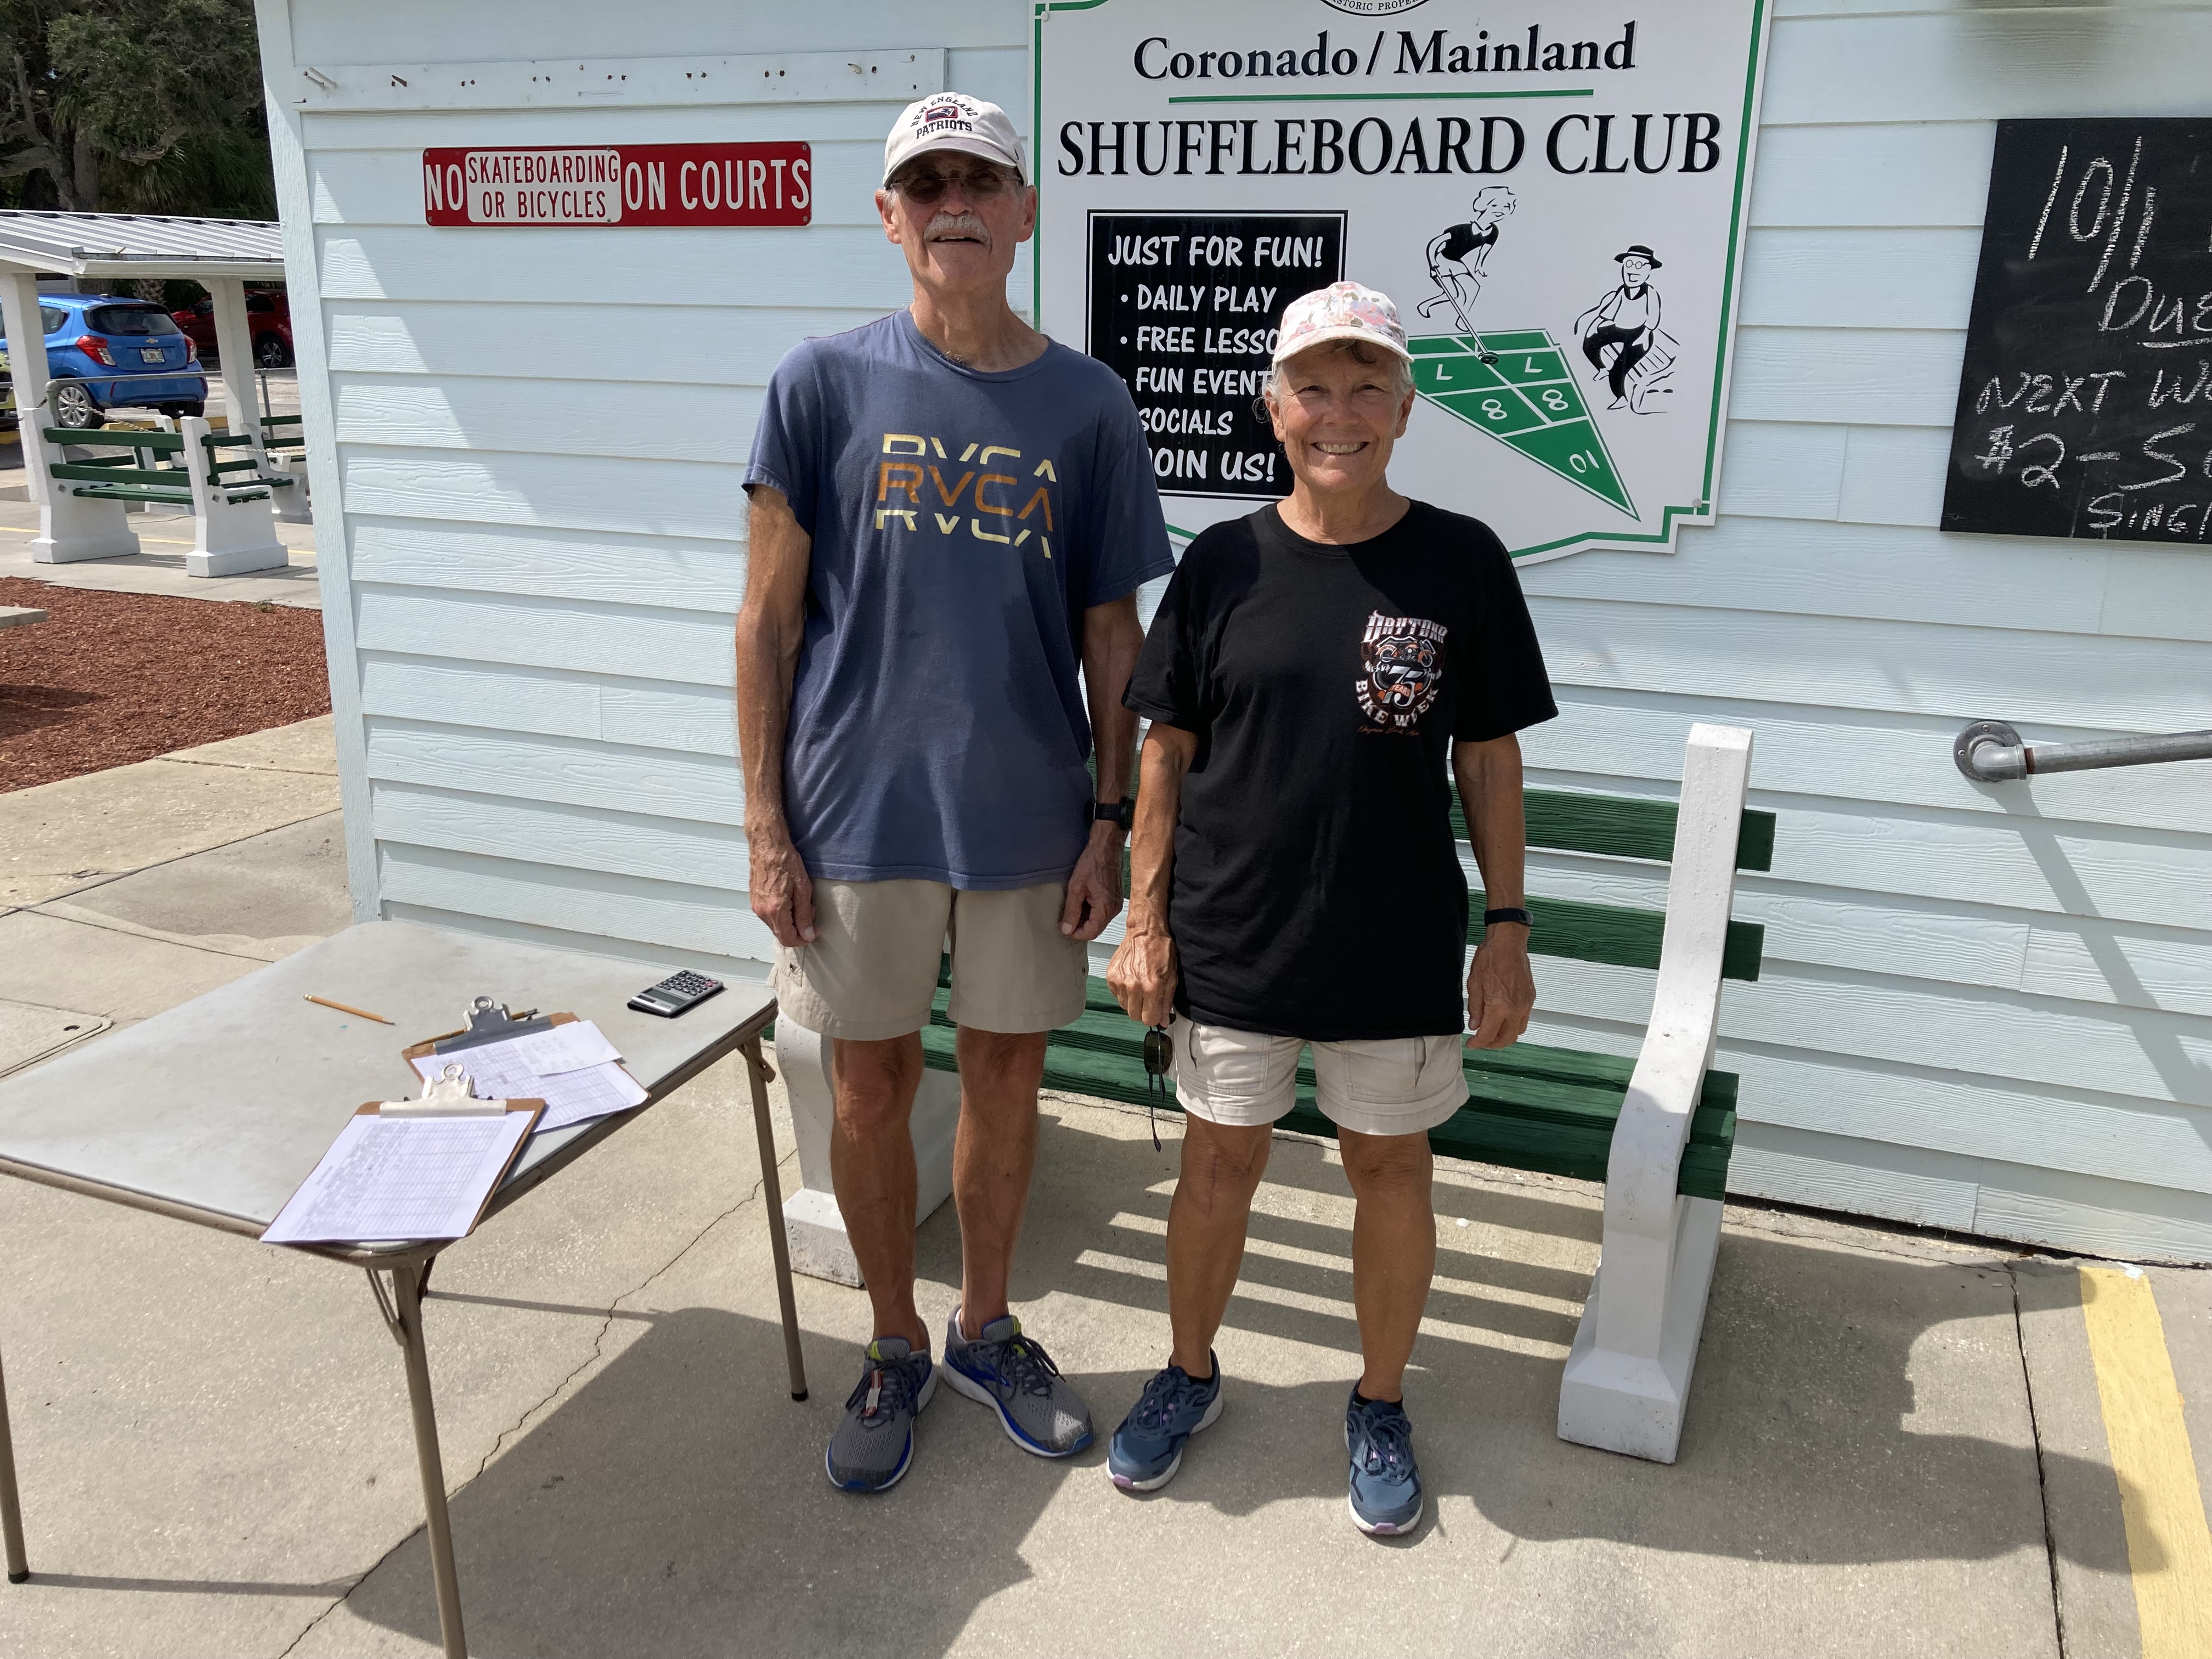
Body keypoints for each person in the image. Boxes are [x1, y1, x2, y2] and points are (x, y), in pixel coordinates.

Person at [737, 92, 1175, 1494]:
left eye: (978, 181)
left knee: (1005, 1079)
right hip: (852, 811)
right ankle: (892, 1343)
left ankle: (987, 1328)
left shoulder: (1088, 404)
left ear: (1025, 211)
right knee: (865, 1086)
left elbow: (1113, 637)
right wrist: (765, 824)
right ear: (889, 216)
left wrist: (1108, 819)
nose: (953, 206)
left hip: (1026, 813)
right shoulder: (819, 383)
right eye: (924, 185)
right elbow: (766, 624)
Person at [1102, 281, 1556, 1537]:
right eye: (1313, 387)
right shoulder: (1223, 561)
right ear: (1274, 408)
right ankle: (1189, 1371)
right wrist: (1145, 924)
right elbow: (1164, 752)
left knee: (1390, 1168)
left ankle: (1380, 1401)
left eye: (1367, 387)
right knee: (1217, 1163)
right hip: (1233, 932)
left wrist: (1507, 928)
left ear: (1406, 411)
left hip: (1394, 938)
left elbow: (1488, 758)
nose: (1338, 413)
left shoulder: (1462, 559)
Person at [1415, 185, 1516, 360]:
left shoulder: (1493, 232)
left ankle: (1461, 321)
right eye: (1494, 205)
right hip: (1442, 259)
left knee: (1473, 287)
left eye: (1505, 207)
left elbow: (1484, 250)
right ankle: (1428, 308)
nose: (1500, 210)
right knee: (1453, 294)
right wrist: (1433, 265)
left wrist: (1479, 266)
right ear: (1483, 206)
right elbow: (1435, 244)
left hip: (1456, 262)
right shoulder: (1461, 229)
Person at [1576, 244, 1667, 409]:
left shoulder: (1650, 293)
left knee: (1619, 368)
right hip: (1620, 329)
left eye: (1639, 265)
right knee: (1589, 343)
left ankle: (1621, 397)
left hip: (1640, 334)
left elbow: (1653, 317)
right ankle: (1602, 368)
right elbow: (1610, 310)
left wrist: (1645, 335)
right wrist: (1596, 324)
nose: (1633, 270)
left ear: (1648, 270)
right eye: (1629, 264)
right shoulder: (1622, 290)